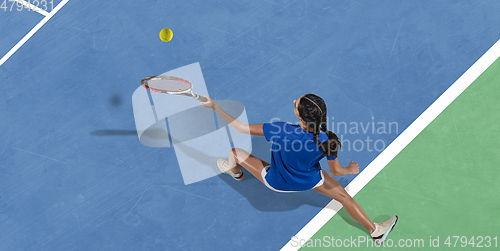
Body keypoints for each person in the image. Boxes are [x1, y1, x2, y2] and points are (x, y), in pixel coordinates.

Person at [198, 93, 397, 244]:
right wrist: (350, 170)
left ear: (299, 115)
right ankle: (375, 230)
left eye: (297, 104)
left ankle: (236, 173)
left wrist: (214, 106)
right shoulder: (329, 140)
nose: (294, 101)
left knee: (235, 153)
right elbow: (336, 171)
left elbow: (240, 128)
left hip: (275, 181)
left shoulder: (280, 129)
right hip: (310, 180)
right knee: (344, 197)